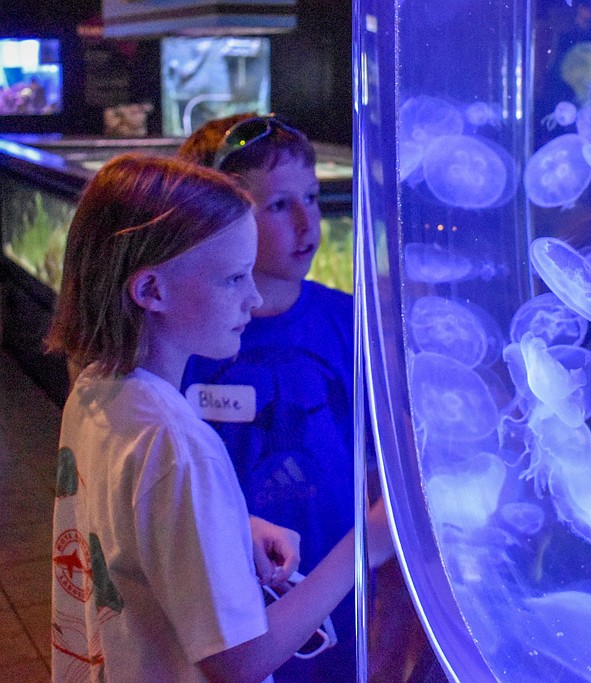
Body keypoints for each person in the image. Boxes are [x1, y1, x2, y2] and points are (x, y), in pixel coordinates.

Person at [45, 153, 392, 682]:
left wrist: (229, 526)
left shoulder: (96, 390)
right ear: (150, 290)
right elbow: (239, 661)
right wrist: (364, 545)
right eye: (233, 279)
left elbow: (125, 536)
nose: (252, 300)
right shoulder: (177, 444)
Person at [178, 115, 361, 681]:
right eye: (280, 206)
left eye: (312, 196)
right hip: (216, 603)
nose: (311, 222)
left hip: (340, 591)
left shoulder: (350, 322)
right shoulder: (183, 339)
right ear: (215, 220)